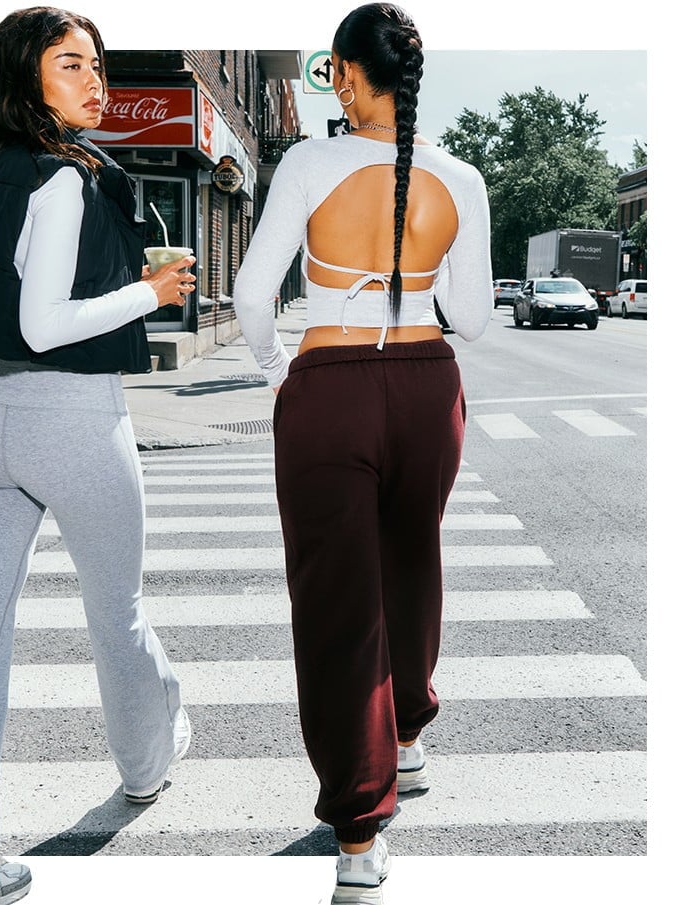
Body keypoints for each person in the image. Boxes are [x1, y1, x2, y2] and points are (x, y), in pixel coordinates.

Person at [0, 8, 195, 904]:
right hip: (71, 418)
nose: (95, 81)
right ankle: (147, 761)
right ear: (28, 80)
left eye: (98, 65)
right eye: (70, 65)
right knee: (119, 612)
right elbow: (47, 324)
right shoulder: (63, 179)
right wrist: (146, 290)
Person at [232, 4, 492, 903]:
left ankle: (357, 830)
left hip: (332, 380)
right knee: (413, 556)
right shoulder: (460, 174)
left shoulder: (309, 161)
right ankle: (410, 731)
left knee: (337, 600)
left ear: (344, 74)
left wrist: (278, 372)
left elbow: (252, 292)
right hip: (428, 384)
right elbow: (477, 317)